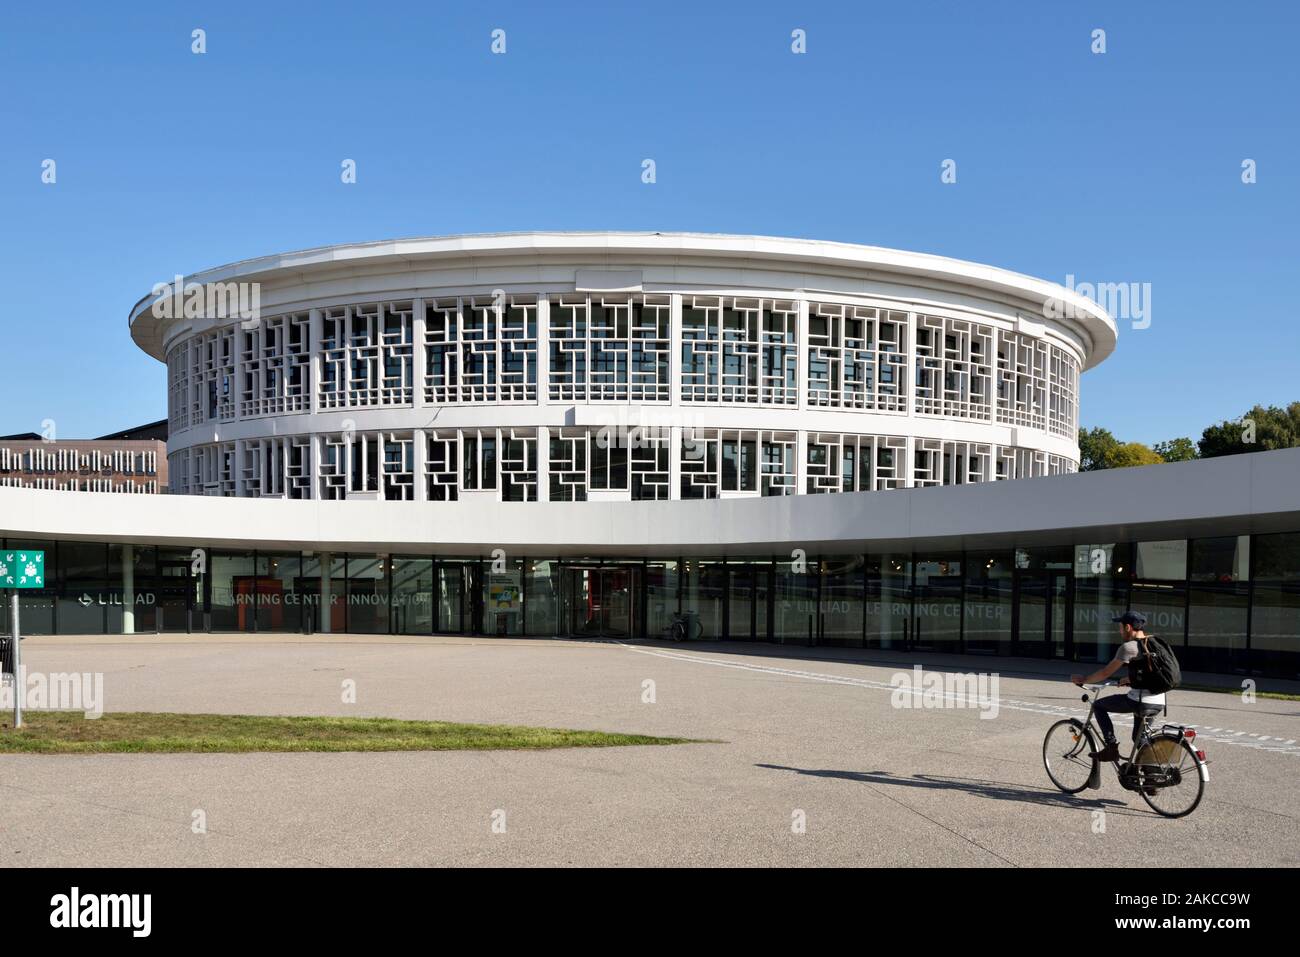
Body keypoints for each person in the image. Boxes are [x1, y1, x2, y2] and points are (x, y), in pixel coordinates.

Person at [1070, 611, 1165, 762]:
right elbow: (1151, 672)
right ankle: (1149, 777)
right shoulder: (1153, 643)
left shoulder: (1129, 647)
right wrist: (1131, 679)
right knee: (1139, 739)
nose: (1119, 631)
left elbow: (1105, 673)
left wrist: (1085, 679)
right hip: (1159, 700)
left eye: (1120, 627)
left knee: (1098, 706)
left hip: (1140, 701)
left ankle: (1111, 748)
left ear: (1128, 627)